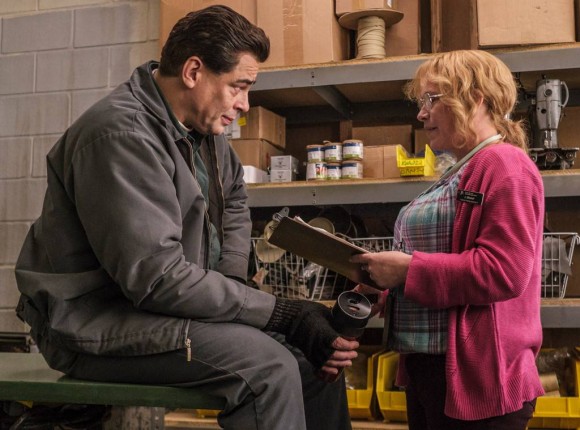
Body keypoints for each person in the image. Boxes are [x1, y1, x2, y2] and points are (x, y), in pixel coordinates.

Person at [14, 6, 358, 430]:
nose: (245, 105)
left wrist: (232, 286)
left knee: (311, 360)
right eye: (238, 87)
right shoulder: (121, 135)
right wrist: (282, 313)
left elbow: (234, 199)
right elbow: (157, 279)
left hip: (160, 311)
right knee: (268, 368)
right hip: (91, 323)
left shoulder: (203, 132)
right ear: (194, 71)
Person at [351, 50, 545, 430]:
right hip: (430, 371)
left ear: (476, 99)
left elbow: (503, 271)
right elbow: (444, 257)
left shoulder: (504, 164)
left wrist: (407, 272)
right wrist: (388, 287)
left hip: (477, 381)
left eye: (431, 99)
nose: (421, 114)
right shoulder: (462, 169)